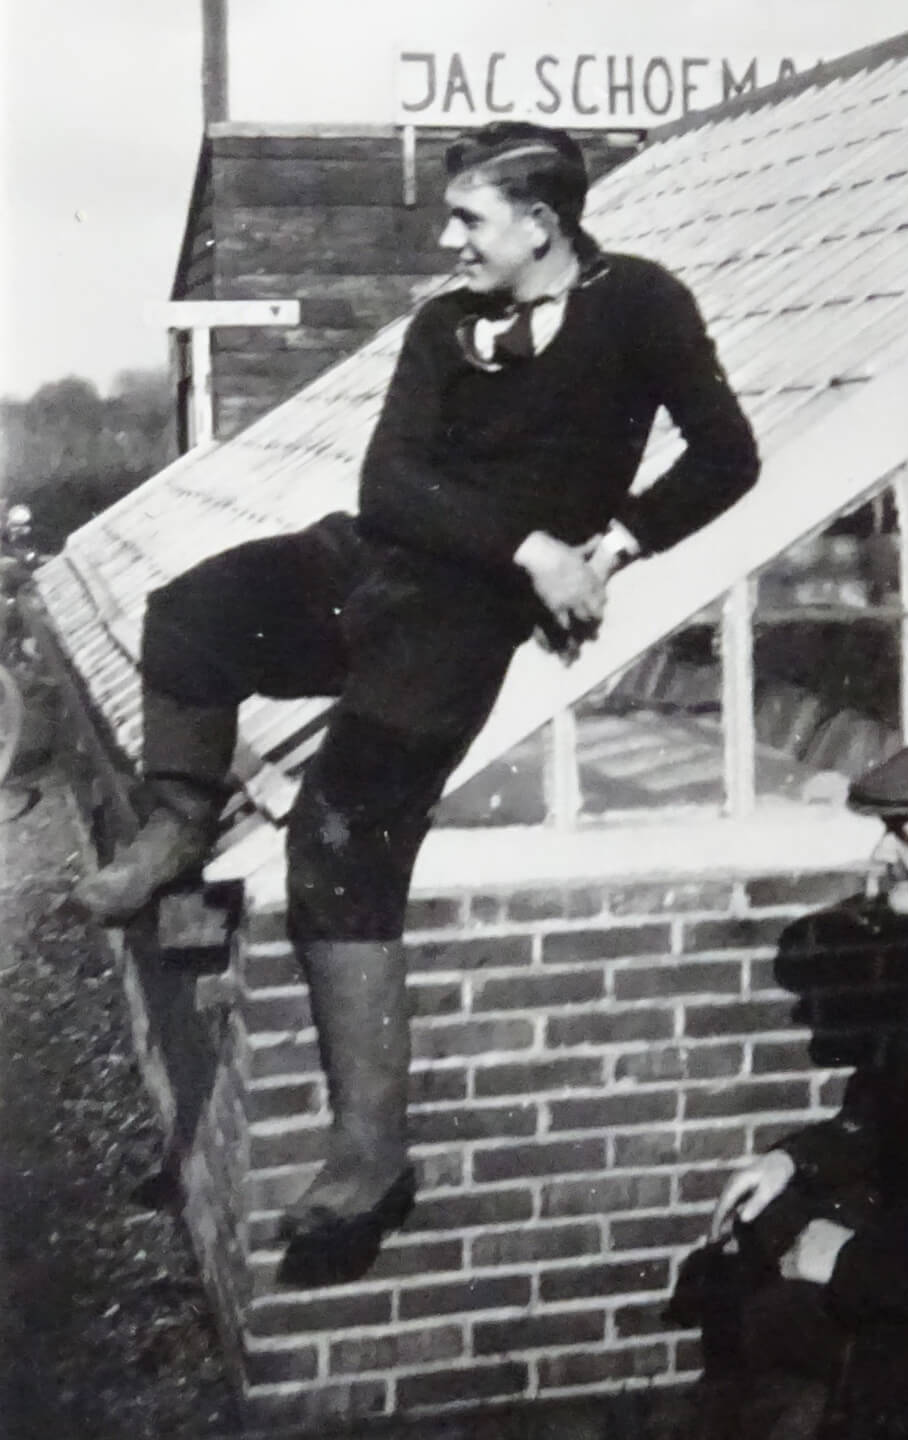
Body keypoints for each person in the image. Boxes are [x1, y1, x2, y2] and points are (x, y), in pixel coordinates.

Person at [72, 121, 759, 1285]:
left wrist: (614, 545)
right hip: (370, 562)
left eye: (467, 220)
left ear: (541, 222)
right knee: (190, 608)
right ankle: (178, 822)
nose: (446, 241)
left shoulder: (640, 303)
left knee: (343, 844)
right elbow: (387, 481)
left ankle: (373, 1157)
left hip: (461, 620)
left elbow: (726, 456)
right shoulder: (445, 324)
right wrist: (533, 541)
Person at [697, 727, 908, 1439]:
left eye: (906, 836)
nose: (880, 856)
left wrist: (852, 1264)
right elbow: (888, 1101)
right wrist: (793, 1159)